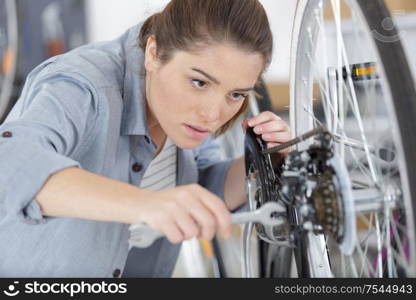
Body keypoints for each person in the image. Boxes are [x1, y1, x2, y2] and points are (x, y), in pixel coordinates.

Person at [0, 0, 291, 277]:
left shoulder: (183, 118)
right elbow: (11, 163)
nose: (213, 114)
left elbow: (200, 190)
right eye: (199, 82)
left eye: (236, 94)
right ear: (153, 52)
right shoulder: (83, 84)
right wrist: (145, 204)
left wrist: (265, 161)